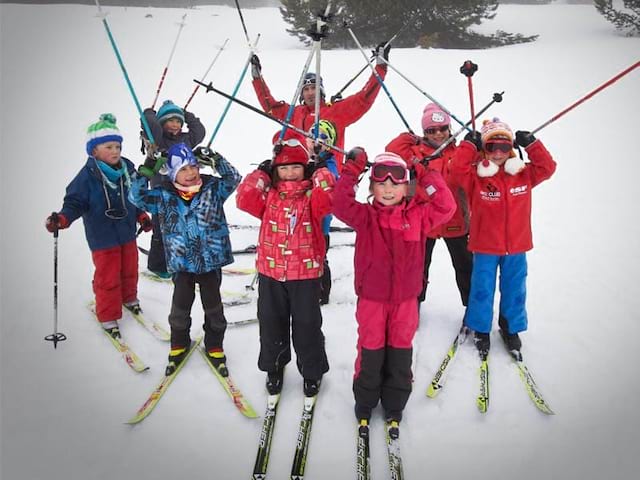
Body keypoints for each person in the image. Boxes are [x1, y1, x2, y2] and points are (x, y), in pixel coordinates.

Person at [332, 148, 456, 429]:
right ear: (372, 186)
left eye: (395, 183)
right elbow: (339, 204)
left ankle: (395, 402)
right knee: (371, 347)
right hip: (372, 299)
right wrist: (352, 170)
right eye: (381, 183)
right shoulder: (365, 216)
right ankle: (365, 400)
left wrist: (427, 175)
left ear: (406, 185)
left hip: (405, 301)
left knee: (401, 349)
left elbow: (446, 207)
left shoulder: (419, 216)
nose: (388, 189)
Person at [235, 130, 335, 397]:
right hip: (270, 273)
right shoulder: (269, 196)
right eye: (284, 168)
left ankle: (312, 372)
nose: (290, 173)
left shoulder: (312, 197)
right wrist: (261, 174)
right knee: (270, 323)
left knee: (306, 326)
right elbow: (244, 199)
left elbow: (329, 198)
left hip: (305, 275)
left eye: (296, 168)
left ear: (306, 168)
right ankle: (274, 367)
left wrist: (322, 171)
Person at [129, 143, 242, 376]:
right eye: (183, 169)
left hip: (211, 260)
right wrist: (146, 170)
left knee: (214, 308)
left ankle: (215, 345)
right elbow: (135, 195)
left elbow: (234, 178)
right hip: (182, 262)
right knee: (179, 309)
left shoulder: (213, 188)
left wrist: (216, 157)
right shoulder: (163, 196)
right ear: (172, 174)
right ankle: (179, 344)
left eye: (193, 166)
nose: (190, 173)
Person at [449, 118, 556, 357]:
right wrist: (468, 146)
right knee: (482, 289)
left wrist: (532, 145)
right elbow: (456, 172)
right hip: (485, 247)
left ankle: (510, 329)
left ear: (511, 149)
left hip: (517, 247)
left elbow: (547, 168)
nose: (498, 152)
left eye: (504, 147)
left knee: (515, 289)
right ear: (484, 149)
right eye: (491, 146)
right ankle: (480, 329)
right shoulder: (477, 177)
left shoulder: (524, 175)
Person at [45, 114, 152, 339]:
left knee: (130, 268)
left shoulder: (127, 170)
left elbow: (135, 197)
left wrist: (141, 215)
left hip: (126, 233)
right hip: (102, 237)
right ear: (94, 151)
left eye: (118, 146)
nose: (115, 151)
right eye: (109, 146)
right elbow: (74, 203)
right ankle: (107, 314)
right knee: (108, 275)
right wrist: (63, 219)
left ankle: (129, 297)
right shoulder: (86, 177)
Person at [386, 103, 473, 312]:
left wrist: (473, 144)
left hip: (456, 220)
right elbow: (392, 149)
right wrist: (411, 138)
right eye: (431, 130)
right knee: (418, 268)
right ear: (424, 132)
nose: (439, 134)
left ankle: (472, 308)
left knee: (465, 267)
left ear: (450, 129)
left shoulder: (459, 152)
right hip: (424, 221)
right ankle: (414, 305)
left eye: (443, 128)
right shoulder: (416, 152)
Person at [249, 42, 390, 168]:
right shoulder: (296, 112)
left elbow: (364, 99)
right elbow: (270, 107)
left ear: (321, 91)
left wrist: (381, 67)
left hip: (328, 175)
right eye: (306, 89)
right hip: (301, 174)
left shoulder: (336, 111)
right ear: (301, 94)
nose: (310, 93)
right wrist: (257, 78)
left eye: (314, 88)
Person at [140, 100, 206, 279]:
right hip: (162, 189)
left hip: (184, 189)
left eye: (178, 121)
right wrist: (149, 113)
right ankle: (158, 265)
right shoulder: (159, 139)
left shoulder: (186, 139)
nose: (175, 125)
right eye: (170, 121)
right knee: (162, 228)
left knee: (184, 226)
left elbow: (199, 132)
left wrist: (187, 115)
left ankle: (182, 258)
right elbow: (150, 126)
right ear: (162, 123)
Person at [305, 119, 339, 305]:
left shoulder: (329, 162)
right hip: (303, 220)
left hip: (321, 224)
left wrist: (320, 170)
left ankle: (322, 293)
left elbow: (333, 181)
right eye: (312, 136)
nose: (317, 141)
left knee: (320, 258)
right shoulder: (304, 159)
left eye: (323, 138)